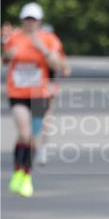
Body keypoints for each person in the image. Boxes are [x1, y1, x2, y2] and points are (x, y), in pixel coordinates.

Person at [3, 3, 65, 197]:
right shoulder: (13, 38)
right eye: (27, 18)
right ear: (22, 20)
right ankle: (17, 173)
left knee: (33, 137)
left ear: (39, 21)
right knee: (24, 133)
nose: (30, 22)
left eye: (34, 19)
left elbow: (59, 65)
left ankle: (26, 176)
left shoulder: (49, 39)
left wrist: (43, 50)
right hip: (18, 93)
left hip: (40, 95)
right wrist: (7, 55)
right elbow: (4, 60)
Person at [35, 23, 70, 165]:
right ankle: (34, 145)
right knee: (35, 119)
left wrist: (63, 68)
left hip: (49, 86)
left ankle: (42, 149)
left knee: (45, 119)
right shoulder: (33, 49)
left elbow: (65, 68)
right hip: (32, 88)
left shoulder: (56, 49)